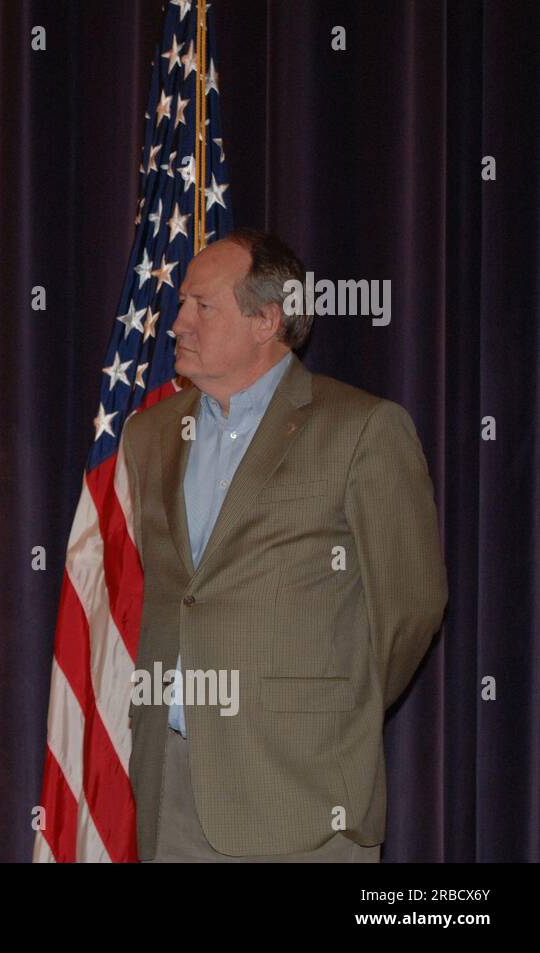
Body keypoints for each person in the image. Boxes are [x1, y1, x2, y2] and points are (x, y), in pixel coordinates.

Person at [119, 229, 447, 862]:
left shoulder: (361, 429)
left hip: (303, 791)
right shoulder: (150, 435)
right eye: (181, 303)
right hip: (174, 783)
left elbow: (412, 606)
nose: (177, 323)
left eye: (201, 306)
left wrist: (326, 713)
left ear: (267, 320)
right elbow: (176, 595)